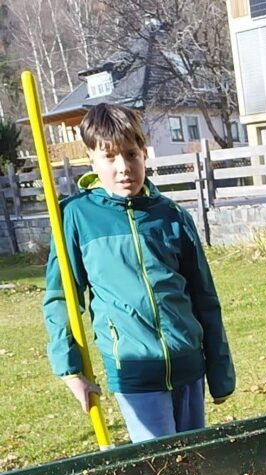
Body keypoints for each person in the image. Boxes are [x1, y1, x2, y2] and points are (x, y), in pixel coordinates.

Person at [44, 103, 235, 443]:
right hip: (134, 371)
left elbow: (205, 298)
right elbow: (62, 297)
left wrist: (219, 374)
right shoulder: (77, 217)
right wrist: (70, 370)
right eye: (110, 157)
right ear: (91, 160)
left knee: (194, 461)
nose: (123, 168)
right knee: (160, 465)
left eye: (131, 155)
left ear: (144, 153)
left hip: (188, 365)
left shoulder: (172, 216)